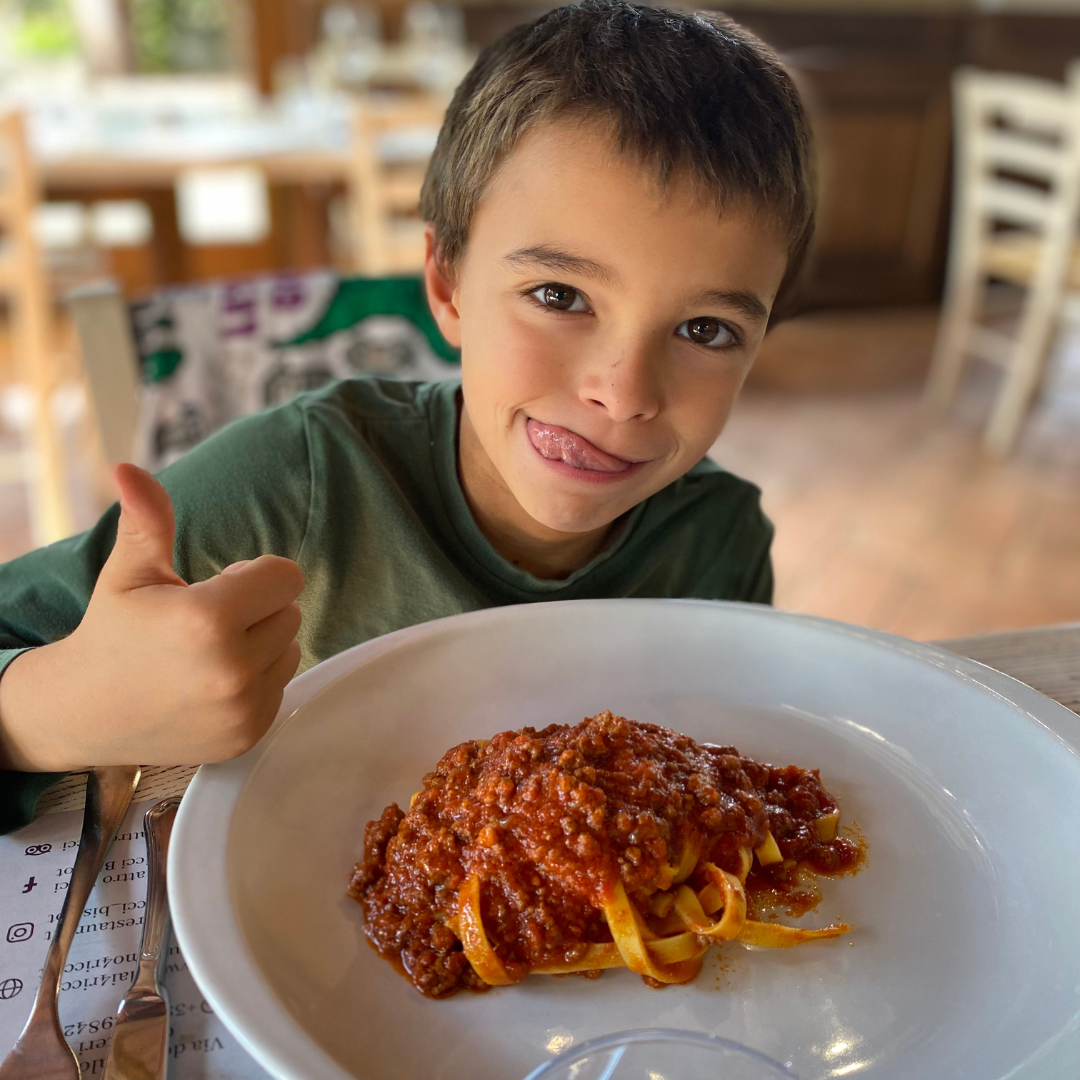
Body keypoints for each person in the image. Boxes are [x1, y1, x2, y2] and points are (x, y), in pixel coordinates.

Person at [0, 0, 812, 832]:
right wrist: (52, 711)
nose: (625, 391)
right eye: (559, 296)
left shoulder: (722, 543)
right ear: (447, 284)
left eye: (705, 329)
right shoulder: (292, 487)